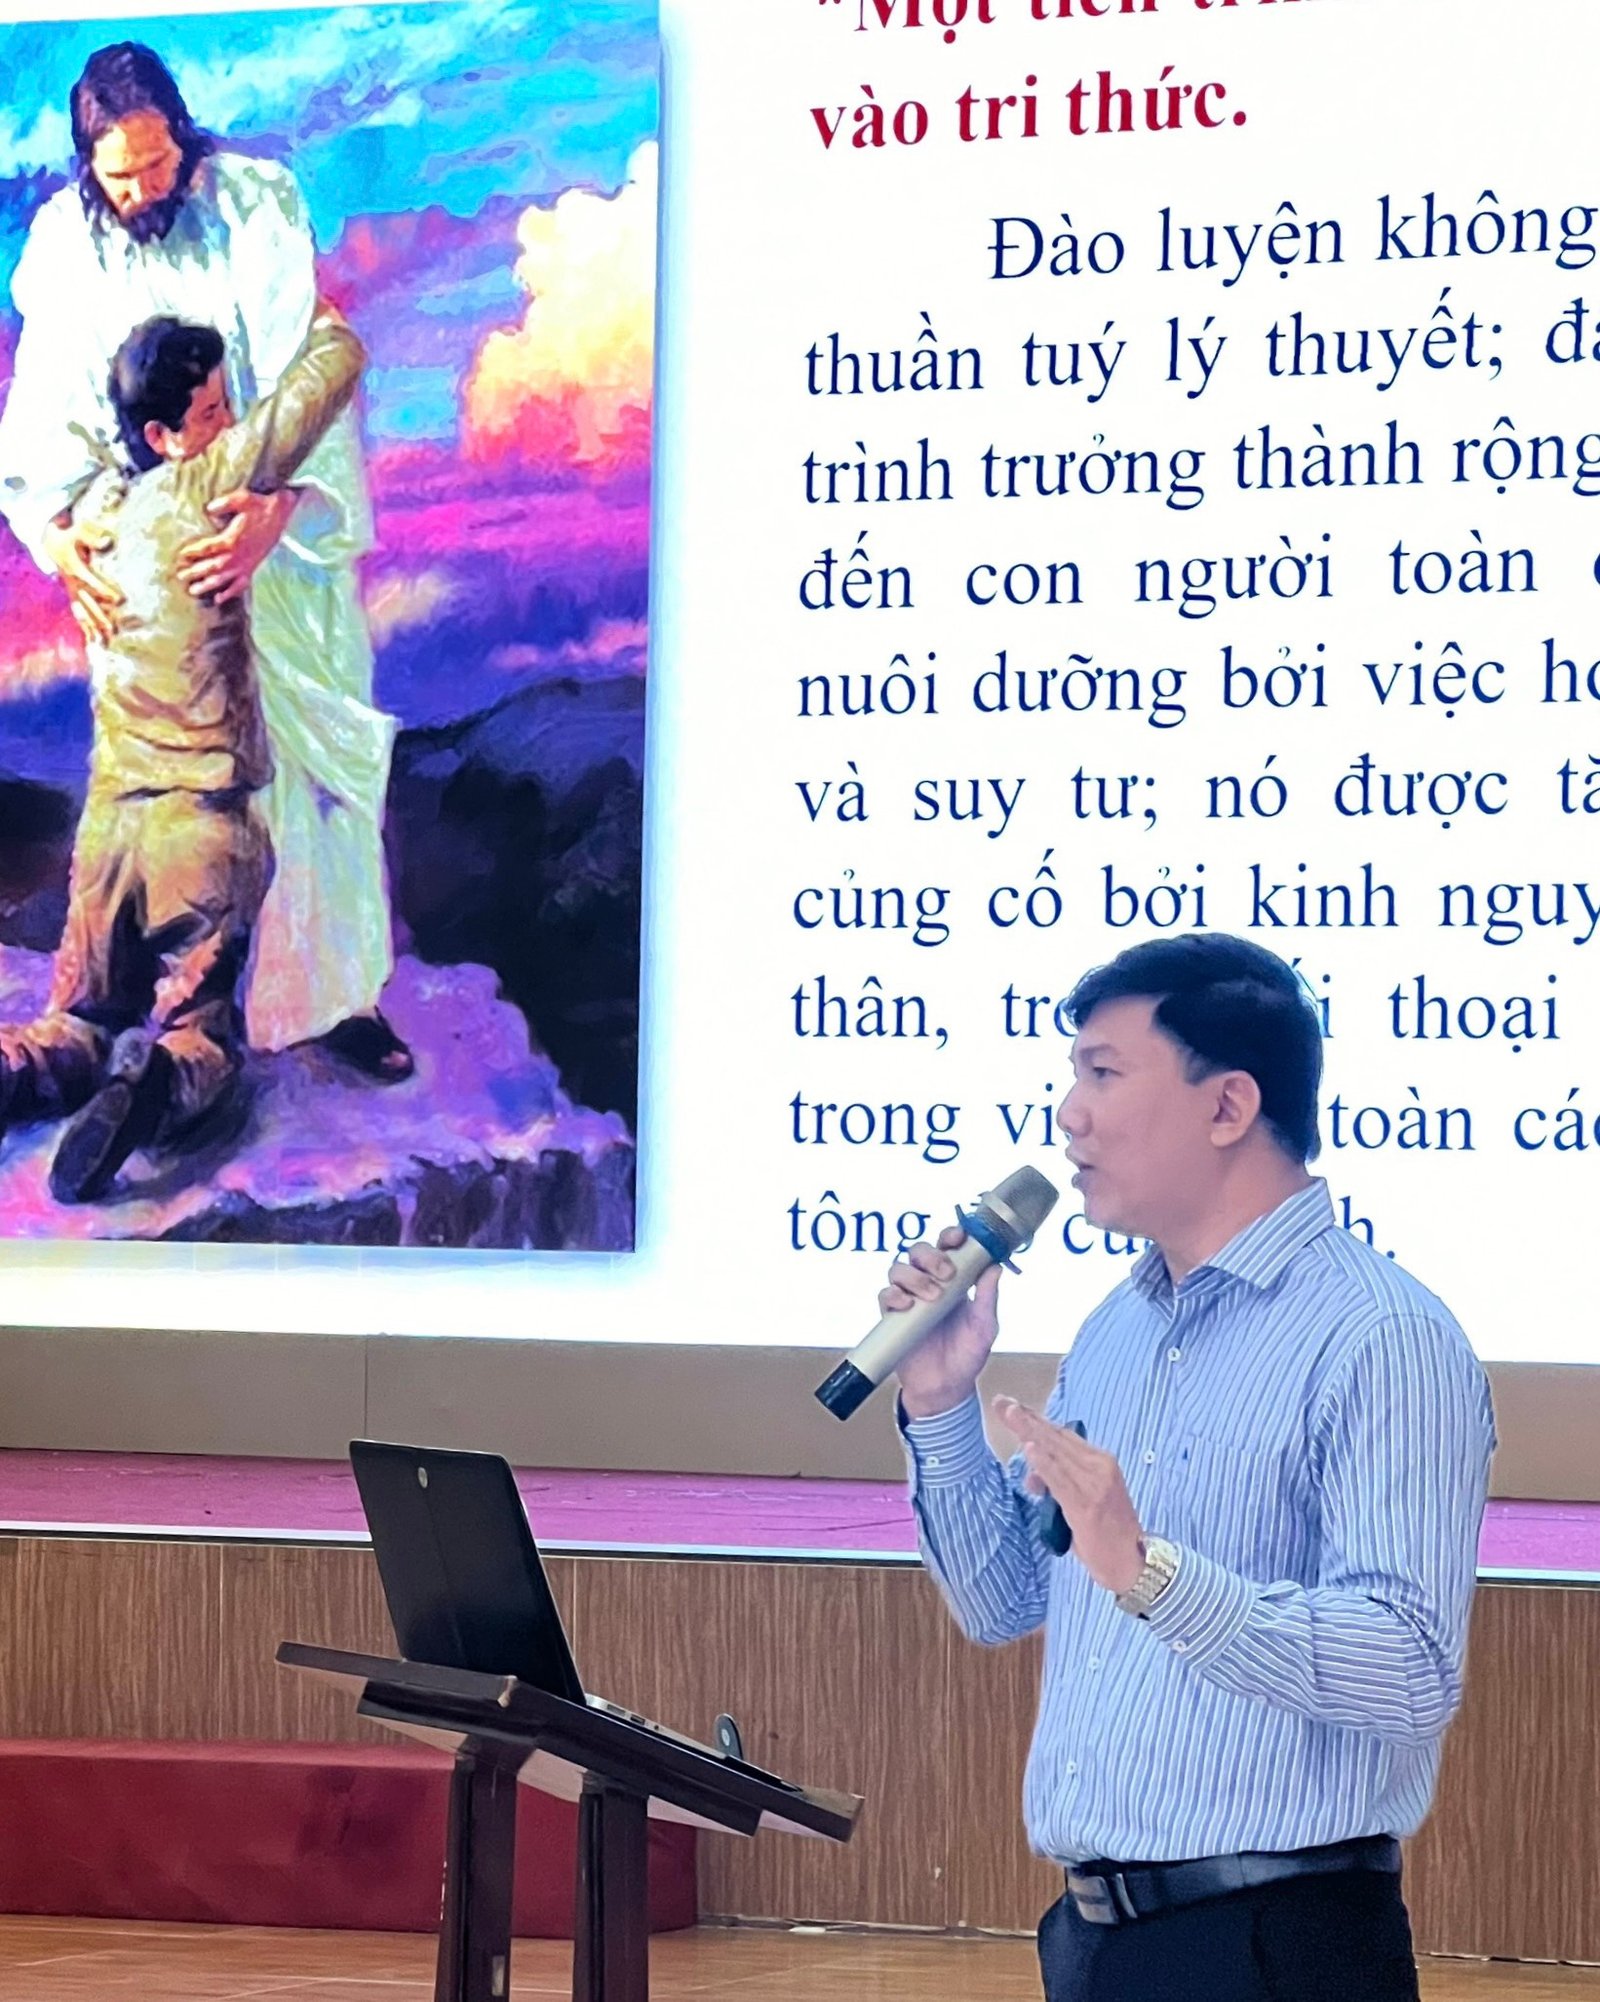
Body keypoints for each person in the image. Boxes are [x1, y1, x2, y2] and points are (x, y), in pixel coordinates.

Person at [884, 934, 1494, 2002]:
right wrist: (938, 1402)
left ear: (1228, 1106)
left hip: (1275, 1944)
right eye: (1072, 1074)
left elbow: (1406, 1669)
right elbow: (1003, 1598)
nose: (1068, 1115)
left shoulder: (1381, 1337)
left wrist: (1151, 1574)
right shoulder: (1116, 1330)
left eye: (1103, 1073)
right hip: (1095, 1939)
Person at [0, 41, 411, 1079]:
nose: (142, 191)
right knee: (160, 804)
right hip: (149, 562)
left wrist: (278, 511)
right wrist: (61, 537)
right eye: (118, 176)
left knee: (307, 776)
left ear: (183, 138)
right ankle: (157, 1029)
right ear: (87, 165)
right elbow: (41, 418)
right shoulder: (62, 245)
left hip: (272, 544)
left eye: (157, 164)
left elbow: (309, 365)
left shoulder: (253, 203)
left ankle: (333, 1002)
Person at [0, 303, 366, 1204]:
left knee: (78, 1017)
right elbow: (317, 388)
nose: (230, 423)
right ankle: (157, 1085)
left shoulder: (96, 517)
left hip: (109, 834)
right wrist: (326, 328)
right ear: (165, 437)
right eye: (212, 412)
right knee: (197, 1029)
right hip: (202, 825)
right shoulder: (208, 483)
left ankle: (19, 1071)